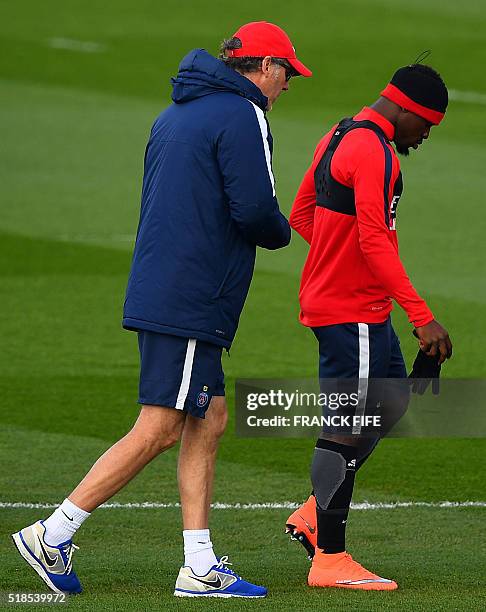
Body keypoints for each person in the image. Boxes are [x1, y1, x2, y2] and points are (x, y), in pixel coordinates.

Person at [12, 21, 311, 599]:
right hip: (194, 294)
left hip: (165, 284)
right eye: (287, 73)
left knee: (210, 416)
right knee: (161, 425)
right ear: (265, 66)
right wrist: (284, 232)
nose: (288, 85)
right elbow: (254, 209)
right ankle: (53, 531)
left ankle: (198, 565)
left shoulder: (175, 114)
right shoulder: (242, 114)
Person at [285, 63, 452, 591]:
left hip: (362, 307)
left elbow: (302, 214)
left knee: (394, 402)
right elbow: (375, 240)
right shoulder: (373, 151)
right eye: (425, 128)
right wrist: (421, 318)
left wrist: (341, 261)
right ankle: (330, 559)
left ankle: (315, 513)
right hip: (350, 311)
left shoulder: (338, 134)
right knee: (345, 426)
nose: (423, 140)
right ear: (407, 111)